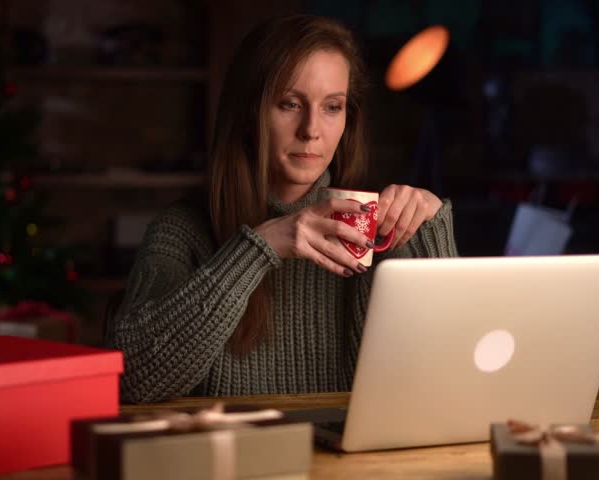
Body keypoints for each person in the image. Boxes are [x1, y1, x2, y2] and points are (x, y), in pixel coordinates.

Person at [106, 14, 458, 404]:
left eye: (332, 107)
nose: (311, 130)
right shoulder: (182, 231)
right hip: (233, 462)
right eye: (290, 104)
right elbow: (132, 381)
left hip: (351, 463)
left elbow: (449, 387)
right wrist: (260, 247)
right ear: (249, 111)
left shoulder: (380, 229)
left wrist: (427, 232)